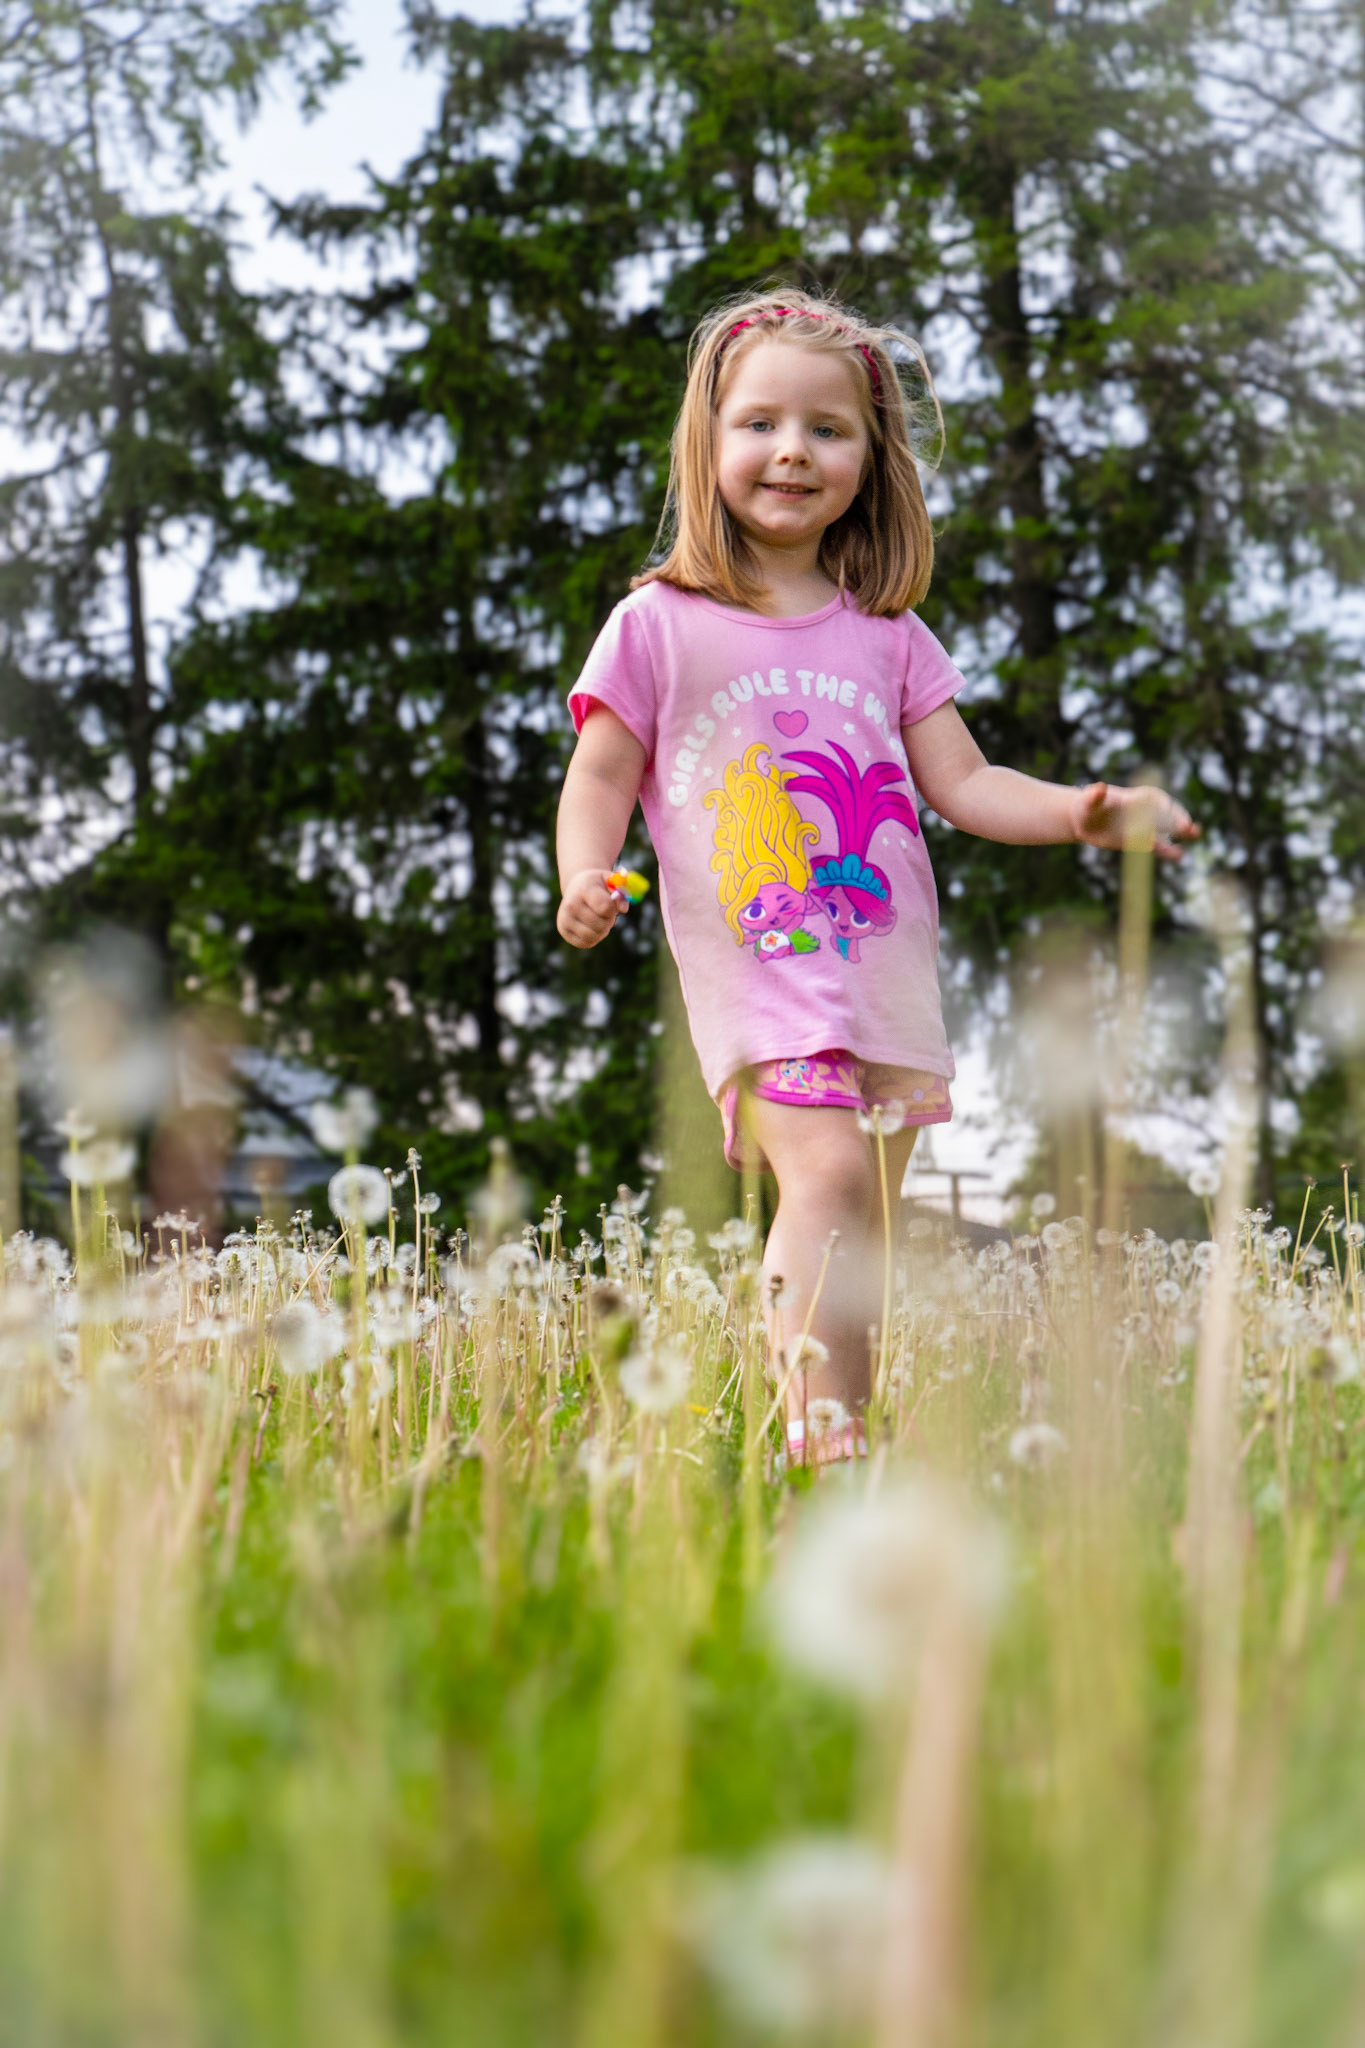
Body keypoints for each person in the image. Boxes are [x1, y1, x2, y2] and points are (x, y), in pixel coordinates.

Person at [555, 287, 1197, 1463]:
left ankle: (834, 1440)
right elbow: (600, 770)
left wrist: (1082, 813)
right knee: (830, 1176)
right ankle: (816, 1429)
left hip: (884, 981)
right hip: (762, 971)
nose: (792, 450)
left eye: (827, 428)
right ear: (708, 443)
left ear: (869, 457)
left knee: (868, 1222)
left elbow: (967, 780)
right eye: (759, 423)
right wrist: (583, 872)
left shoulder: (889, 633)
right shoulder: (658, 624)